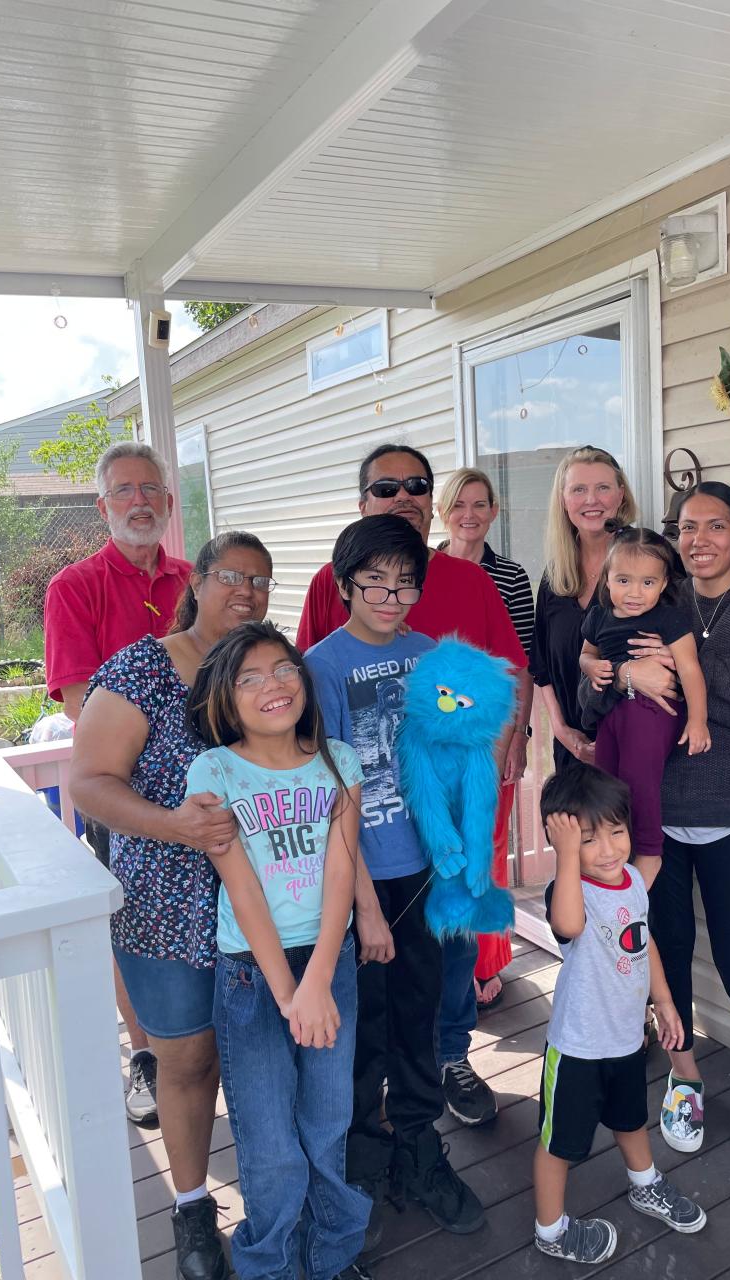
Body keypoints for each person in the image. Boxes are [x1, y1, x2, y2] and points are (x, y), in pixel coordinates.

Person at [581, 482, 730, 1162]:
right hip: (654, 817)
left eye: (717, 526)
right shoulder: (653, 595)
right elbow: (590, 701)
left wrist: (686, 668)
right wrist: (626, 675)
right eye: (687, 527)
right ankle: (685, 1080)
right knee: (665, 955)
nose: (700, 539)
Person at [298, 443, 527, 1130]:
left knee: (449, 946)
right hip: (364, 833)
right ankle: (369, 1117)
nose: (403, 496)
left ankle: (450, 1059)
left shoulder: (468, 582)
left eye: (417, 485)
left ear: (433, 500)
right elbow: (315, 718)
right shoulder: (327, 589)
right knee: (375, 978)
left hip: (447, 812)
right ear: (363, 500)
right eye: (385, 486)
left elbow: (504, 677)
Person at [70, 531, 275, 1280]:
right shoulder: (141, 668)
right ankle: (192, 1210)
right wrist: (172, 824)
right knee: (187, 1060)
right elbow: (89, 781)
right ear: (199, 580)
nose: (248, 590)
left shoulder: (267, 670)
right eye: (232, 576)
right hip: (167, 902)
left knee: (261, 1059)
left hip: (266, 901)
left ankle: (277, 1204)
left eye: (262, 579)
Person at [305, 515, 486, 1241]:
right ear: (346, 584)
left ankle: (419, 1146)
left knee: (421, 1013)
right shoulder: (320, 664)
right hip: (360, 878)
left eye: (405, 581)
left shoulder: (430, 655)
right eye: (374, 580)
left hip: (428, 871)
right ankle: (363, 1161)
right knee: (361, 1029)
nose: (391, 594)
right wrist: (365, 908)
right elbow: (329, 793)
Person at [185, 621, 371, 1280]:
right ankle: (269, 1265)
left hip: (328, 960)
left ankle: (332, 1254)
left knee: (327, 1123)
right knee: (270, 1144)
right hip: (252, 976)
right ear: (225, 699)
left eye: (285, 669)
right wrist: (292, 995)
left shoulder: (337, 760)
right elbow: (242, 891)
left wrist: (319, 977)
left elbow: (342, 875)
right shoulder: (212, 770)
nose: (274, 685)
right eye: (251, 677)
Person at [44, 440, 191, 1125]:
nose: (139, 501)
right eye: (124, 491)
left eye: (150, 489)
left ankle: (198, 1048)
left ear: (167, 501)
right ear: (103, 506)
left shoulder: (196, 578)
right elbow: (79, 700)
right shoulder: (75, 588)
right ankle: (145, 1055)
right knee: (130, 925)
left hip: (208, 790)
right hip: (123, 792)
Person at [533, 764, 706, 1264]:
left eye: (616, 831)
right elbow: (566, 924)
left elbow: (642, 939)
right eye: (588, 839)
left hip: (627, 1039)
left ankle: (644, 1183)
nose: (608, 850)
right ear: (562, 843)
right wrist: (567, 856)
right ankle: (551, 1230)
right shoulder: (570, 889)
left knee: (631, 1119)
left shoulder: (630, 879)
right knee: (558, 1142)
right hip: (579, 1047)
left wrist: (666, 1001)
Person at [437, 466, 535, 1011]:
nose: (469, 515)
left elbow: (520, 664)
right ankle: (446, 959)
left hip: (493, 727)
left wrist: (518, 735)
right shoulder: (422, 570)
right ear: (443, 512)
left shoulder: (511, 576)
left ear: (494, 511)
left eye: (479, 504)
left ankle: (486, 959)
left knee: (489, 842)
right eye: (459, 505)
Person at [532, 445, 676, 771]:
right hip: (574, 752)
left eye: (603, 488)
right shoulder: (554, 576)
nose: (591, 500)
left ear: (621, 494)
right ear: (563, 499)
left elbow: (686, 639)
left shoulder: (652, 556)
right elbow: (541, 667)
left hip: (641, 748)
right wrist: (562, 730)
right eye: (579, 489)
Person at [580, 524, 711, 863]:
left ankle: (649, 853)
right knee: (606, 788)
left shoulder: (667, 619)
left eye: (648, 582)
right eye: (623, 581)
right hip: (612, 713)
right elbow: (586, 654)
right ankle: (613, 858)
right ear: (607, 579)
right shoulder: (598, 616)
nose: (635, 592)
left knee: (639, 786)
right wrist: (591, 667)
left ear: (664, 584)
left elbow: (690, 669)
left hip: (652, 712)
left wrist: (698, 721)